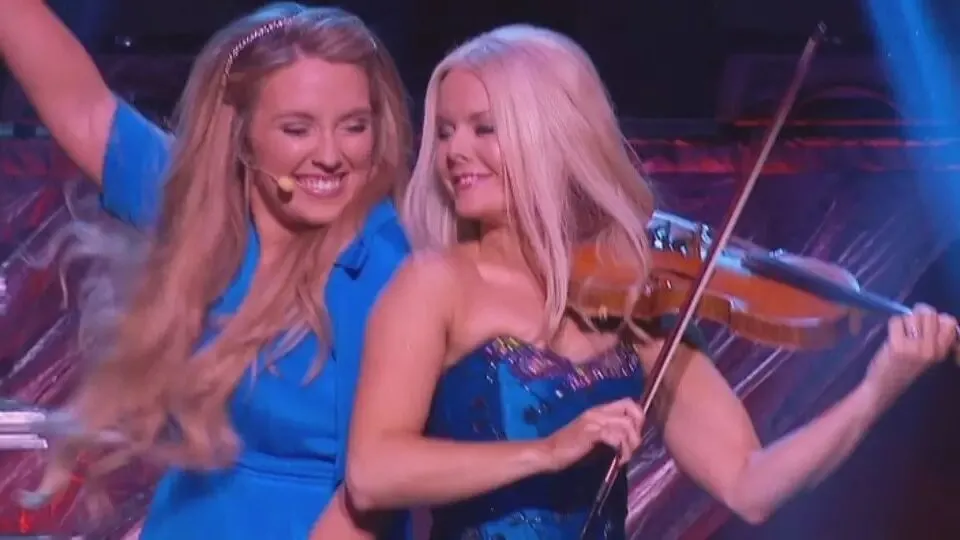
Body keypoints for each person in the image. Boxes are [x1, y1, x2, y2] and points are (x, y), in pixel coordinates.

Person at [338, 25, 958, 539]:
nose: (453, 152)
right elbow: (374, 472)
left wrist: (877, 388)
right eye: (446, 131)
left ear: (551, 132)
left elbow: (750, 485)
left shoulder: (637, 294)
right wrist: (546, 452)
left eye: (483, 128)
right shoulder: (435, 283)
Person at [0, 2, 413, 539]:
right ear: (242, 134)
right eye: (298, 128)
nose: (331, 155)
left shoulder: (386, 268)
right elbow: (82, 106)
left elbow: (371, 497)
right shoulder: (202, 217)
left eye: (354, 126)